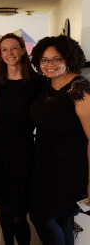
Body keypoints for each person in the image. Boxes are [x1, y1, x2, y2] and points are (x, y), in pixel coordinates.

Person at [0, 30, 43, 245]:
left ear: (23, 50)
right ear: (0, 54)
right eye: (4, 49)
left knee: (18, 212)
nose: (9, 53)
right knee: (4, 207)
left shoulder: (37, 82)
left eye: (14, 48)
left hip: (23, 152)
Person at [29, 35, 90, 245]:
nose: (50, 65)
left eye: (56, 59)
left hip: (70, 172)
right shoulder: (47, 84)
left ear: (69, 59)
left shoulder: (79, 87)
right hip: (45, 168)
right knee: (62, 219)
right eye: (45, 60)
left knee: (41, 217)